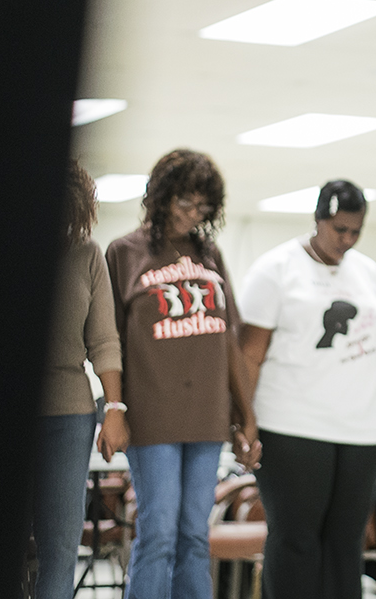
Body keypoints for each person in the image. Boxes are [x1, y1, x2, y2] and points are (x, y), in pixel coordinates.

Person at [106, 149, 261, 599]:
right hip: (153, 415)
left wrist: (245, 413)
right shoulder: (124, 252)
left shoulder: (209, 254)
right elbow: (108, 341)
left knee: (195, 535)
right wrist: (115, 406)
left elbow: (228, 340)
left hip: (208, 416)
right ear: (161, 197)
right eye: (184, 203)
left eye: (202, 207)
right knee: (158, 534)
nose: (193, 215)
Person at [238, 180, 376, 599]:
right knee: (297, 540)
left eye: (355, 231)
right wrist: (244, 421)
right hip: (292, 427)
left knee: (346, 543)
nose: (347, 240)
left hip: (363, 430)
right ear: (318, 219)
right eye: (339, 230)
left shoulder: (368, 272)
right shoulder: (276, 269)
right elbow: (247, 357)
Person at [30, 160, 129, 599]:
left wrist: (115, 410)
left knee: (61, 545)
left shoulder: (86, 253)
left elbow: (105, 340)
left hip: (67, 415)